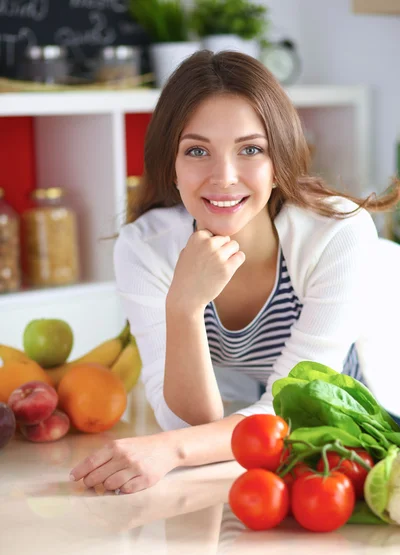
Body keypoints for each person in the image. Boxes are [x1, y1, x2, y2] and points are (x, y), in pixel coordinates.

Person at [69, 50, 400, 494]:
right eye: (197, 150)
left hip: (363, 435)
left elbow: (293, 403)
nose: (224, 176)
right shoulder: (144, 248)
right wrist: (185, 306)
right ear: (171, 163)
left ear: (279, 160)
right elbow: (186, 422)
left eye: (250, 149)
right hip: (253, 451)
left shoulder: (337, 234)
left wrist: (172, 450)